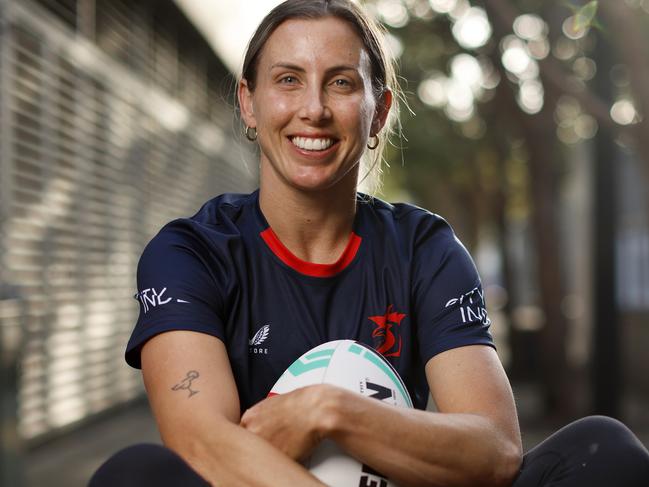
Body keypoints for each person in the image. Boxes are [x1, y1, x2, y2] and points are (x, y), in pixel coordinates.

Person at [90, 1, 649, 485]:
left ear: (377, 110)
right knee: (133, 474)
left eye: (340, 82)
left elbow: (497, 451)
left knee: (603, 450)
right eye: (288, 79)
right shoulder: (191, 253)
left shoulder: (424, 248)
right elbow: (204, 445)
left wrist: (332, 411)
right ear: (249, 104)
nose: (313, 108)